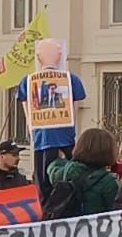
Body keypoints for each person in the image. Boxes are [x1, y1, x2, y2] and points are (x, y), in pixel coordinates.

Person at [15, 39, 85, 198]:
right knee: (70, 183)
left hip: (42, 140)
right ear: (60, 56)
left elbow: (28, 114)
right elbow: (75, 110)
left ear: (38, 57)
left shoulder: (27, 81)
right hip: (66, 138)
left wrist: (33, 131)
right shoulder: (72, 79)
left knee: (44, 187)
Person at [44, 127, 121, 218]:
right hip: (96, 230)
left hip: (67, 229)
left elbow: (52, 167)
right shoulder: (108, 181)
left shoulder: (63, 171)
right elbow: (117, 215)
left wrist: (61, 158)